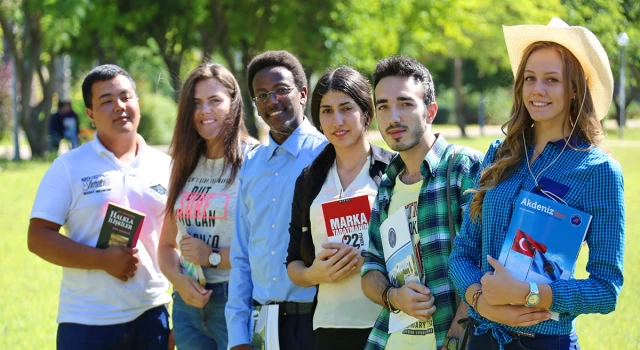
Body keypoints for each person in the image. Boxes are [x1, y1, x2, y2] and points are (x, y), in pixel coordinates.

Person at [448, 18, 625, 350]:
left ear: (575, 89)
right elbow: (462, 254)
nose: (537, 90)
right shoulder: (497, 156)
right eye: (530, 78)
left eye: (552, 80)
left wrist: (531, 296)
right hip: (481, 338)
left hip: (545, 343)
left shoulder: (598, 171)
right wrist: (480, 301)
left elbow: (607, 289)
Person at [28, 64, 172, 349]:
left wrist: (182, 317)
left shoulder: (166, 166)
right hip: (86, 322)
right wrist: (102, 260)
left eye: (125, 97)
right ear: (91, 115)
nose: (119, 106)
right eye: (106, 101)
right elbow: (38, 238)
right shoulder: (68, 167)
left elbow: (178, 243)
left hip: (152, 317)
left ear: (138, 104)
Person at [360, 56, 483, 350]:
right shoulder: (387, 185)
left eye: (405, 103)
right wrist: (393, 296)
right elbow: (370, 269)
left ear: (430, 111)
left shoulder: (463, 168)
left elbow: (485, 263)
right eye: (383, 106)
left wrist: (454, 340)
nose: (393, 117)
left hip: (448, 340)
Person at [285, 66, 394, 350]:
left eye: (347, 108)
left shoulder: (394, 170)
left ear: (366, 111)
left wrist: (369, 262)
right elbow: (294, 263)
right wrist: (313, 275)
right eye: (327, 111)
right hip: (329, 326)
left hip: (388, 322)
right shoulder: (310, 180)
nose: (337, 120)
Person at [225, 50, 327, 350]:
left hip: (315, 322)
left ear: (302, 94)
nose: (272, 101)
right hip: (262, 324)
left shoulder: (327, 156)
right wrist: (238, 335)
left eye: (282, 90)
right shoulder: (251, 166)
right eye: (262, 95)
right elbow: (242, 257)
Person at [158, 63, 259, 350]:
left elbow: (266, 248)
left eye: (215, 101)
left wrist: (212, 256)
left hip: (237, 299)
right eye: (197, 103)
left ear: (233, 102)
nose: (205, 111)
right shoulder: (185, 162)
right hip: (189, 303)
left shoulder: (254, 159)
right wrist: (179, 281)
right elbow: (166, 245)